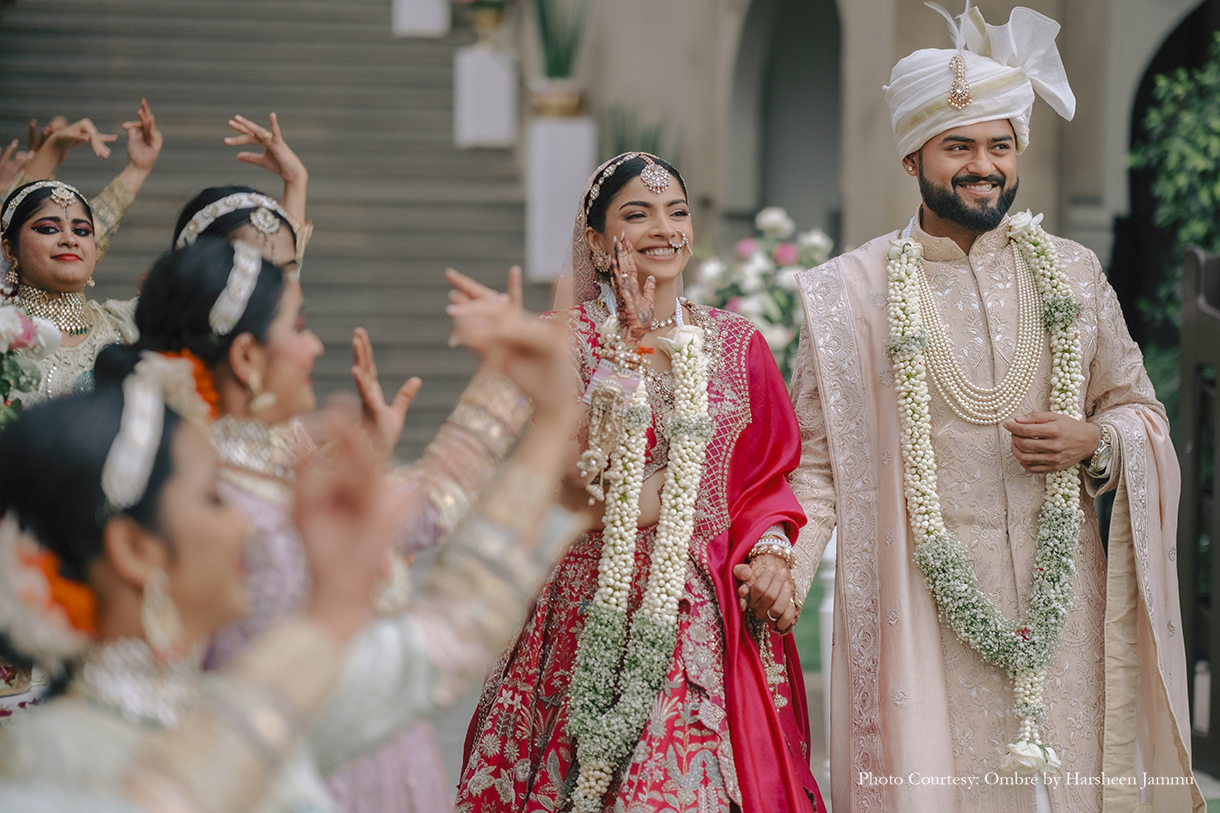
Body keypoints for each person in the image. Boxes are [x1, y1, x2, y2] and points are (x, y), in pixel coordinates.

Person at [0, 239, 582, 813]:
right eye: (211, 500)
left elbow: (442, 636)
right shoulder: (49, 761)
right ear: (131, 548)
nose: (238, 531)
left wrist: (548, 414)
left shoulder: (242, 716)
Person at [788, 5, 1200, 811]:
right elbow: (817, 464)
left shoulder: (1074, 276)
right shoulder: (851, 295)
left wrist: (1096, 439)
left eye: (1000, 145)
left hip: (1064, 613)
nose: (985, 166)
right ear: (913, 155)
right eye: (960, 145)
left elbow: (1140, 412)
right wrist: (786, 563)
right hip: (928, 616)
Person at [457, 152, 825, 813]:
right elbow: (565, 489)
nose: (664, 227)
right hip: (583, 614)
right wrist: (623, 367)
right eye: (638, 214)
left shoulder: (738, 343)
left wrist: (772, 551)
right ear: (597, 243)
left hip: (704, 615)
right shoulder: (562, 344)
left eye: (677, 212)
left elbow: (767, 480)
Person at [0, 102, 162, 402]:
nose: (70, 240)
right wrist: (52, 148)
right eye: (48, 229)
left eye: (83, 231)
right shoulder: (3, 332)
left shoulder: (126, 325)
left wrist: (138, 168)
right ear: (9, 252)